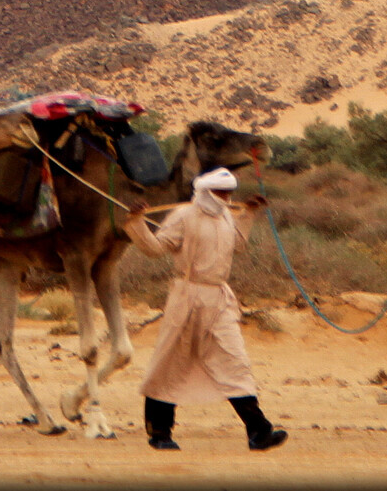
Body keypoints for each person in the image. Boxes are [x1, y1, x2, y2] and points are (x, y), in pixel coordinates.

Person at [120, 166, 289, 451]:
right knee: (170, 362)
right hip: (187, 295)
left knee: (234, 360)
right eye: (221, 192)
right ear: (205, 192)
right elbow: (155, 248)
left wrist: (248, 214)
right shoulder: (183, 215)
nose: (226, 197)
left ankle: (259, 431)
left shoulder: (226, 216)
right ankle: (160, 433)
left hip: (219, 298)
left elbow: (239, 244)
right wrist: (136, 222)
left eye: (229, 192)